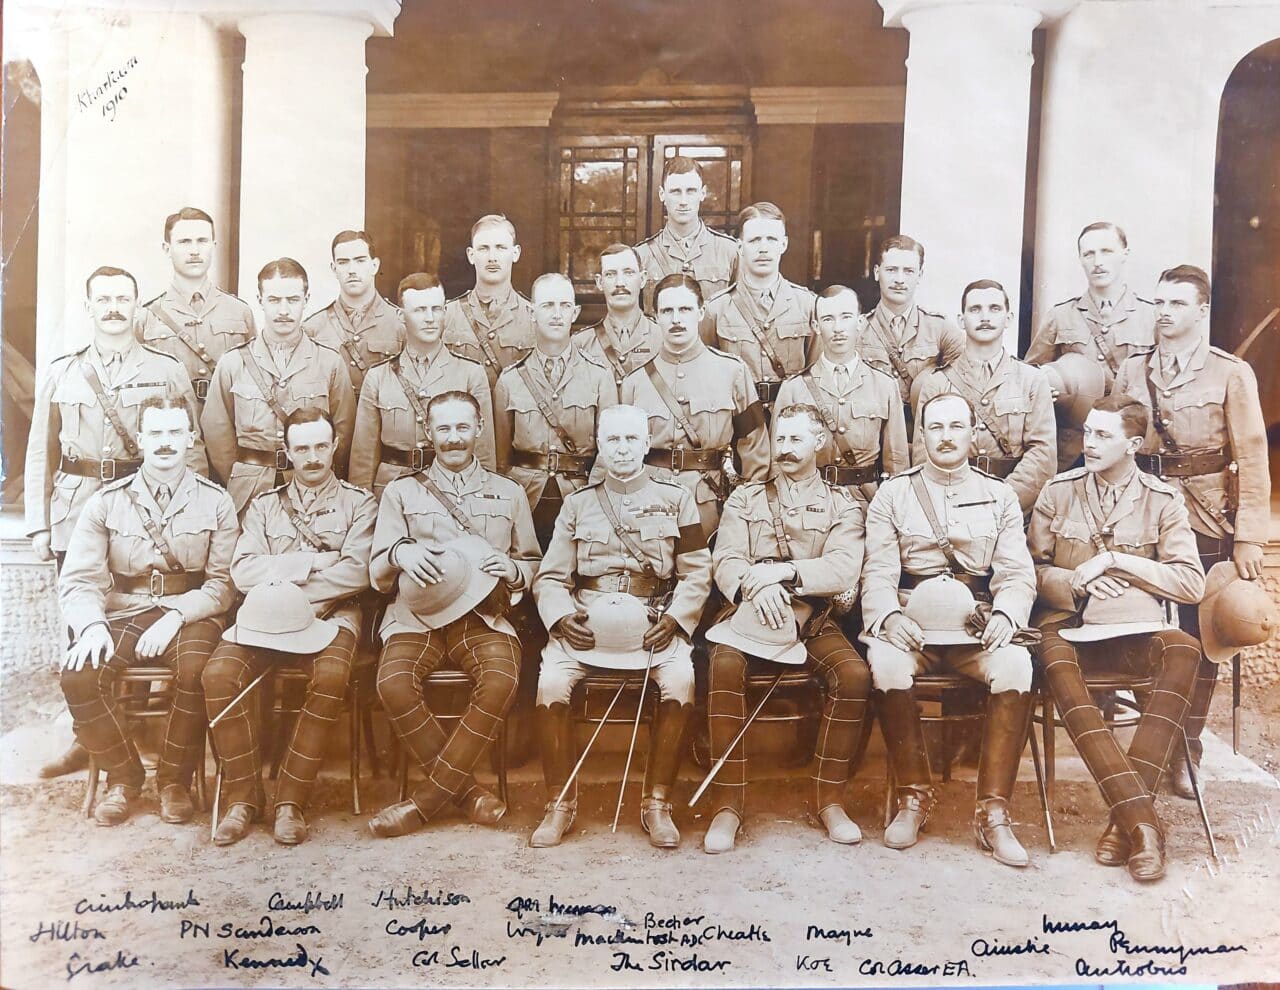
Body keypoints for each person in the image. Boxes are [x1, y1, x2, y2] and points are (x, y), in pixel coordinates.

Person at [26, 266, 207, 781]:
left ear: (136, 306)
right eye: (103, 299)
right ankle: (90, 738)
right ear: (89, 307)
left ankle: (140, 735)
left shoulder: (165, 369)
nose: (113, 308)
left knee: (142, 612)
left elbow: (190, 447)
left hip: (144, 507)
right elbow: (41, 449)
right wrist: (39, 523)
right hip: (76, 506)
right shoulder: (64, 372)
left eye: (122, 299)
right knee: (84, 622)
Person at [1029, 395, 1206, 881]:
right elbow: (1030, 570)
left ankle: (1122, 824)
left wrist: (1118, 561)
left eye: (1103, 435)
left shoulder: (1162, 500)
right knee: (1054, 661)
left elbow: (1191, 583)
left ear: (1133, 444)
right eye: (1088, 432)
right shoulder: (1058, 492)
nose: (1089, 443)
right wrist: (1075, 581)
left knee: (1185, 650)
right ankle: (1141, 826)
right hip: (1068, 625)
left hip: (1134, 628)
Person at [861, 393, 1037, 868]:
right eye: (935, 427)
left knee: (1016, 665)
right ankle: (913, 798)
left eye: (956, 427)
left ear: (973, 433)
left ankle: (993, 812)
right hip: (912, 625)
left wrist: (1006, 616)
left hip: (975, 629)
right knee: (886, 664)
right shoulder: (893, 494)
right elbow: (877, 571)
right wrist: (888, 617)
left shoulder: (1000, 496)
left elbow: (1016, 573)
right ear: (921, 435)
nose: (945, 437)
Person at [1112, 264, 1269, 796]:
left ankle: (1186, 750)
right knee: (1139, 626)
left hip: (1204, 518)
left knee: (1200, 637)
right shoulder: (1133, 370)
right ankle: (1153, 741)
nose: (1164, 312)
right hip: (1141, 514)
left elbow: (1252, 456)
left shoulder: (1230, 373)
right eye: (1159, 302)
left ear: (1202, 311)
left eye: (1177, 303)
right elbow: (1118, 440)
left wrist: (1249, 536)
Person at [529, 404, 712, 849]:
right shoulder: (577, 504)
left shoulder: (677, 498)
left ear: (647, 443)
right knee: (550, 681)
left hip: (653, 622)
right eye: (613, 440)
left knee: (681, 678)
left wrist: (676, 619)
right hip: (587, 624)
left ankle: (657, 803)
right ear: (599, 445)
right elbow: (551, 577)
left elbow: (696, 572)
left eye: (632, 439)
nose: (623, 449)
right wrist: (561, 617)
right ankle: (559, 803)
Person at [365, 390, 542, 838]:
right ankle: (468, 794)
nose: (454, 438)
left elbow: (534, 562)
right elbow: (377, 572)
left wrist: (515, 571)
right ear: (428, 432)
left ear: (479, 429)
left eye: (463, 427)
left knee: (501, 680)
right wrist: (400, 552)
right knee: (393, 684)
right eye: (443, 428)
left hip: (482, 617)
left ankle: (424, 803)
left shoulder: (510, 492)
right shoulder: (401, 492)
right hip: (415, 617)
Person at [58, 395, 237, 826]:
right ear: (140, 439)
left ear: (191, 438)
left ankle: (175, 782)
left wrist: (176, 616)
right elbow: (79, 579)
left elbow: (223, 585)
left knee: (197, 671)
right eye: (155, 432)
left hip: (190, 613)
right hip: (125, 611)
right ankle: (123, 779)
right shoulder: (106, 501)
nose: (165, 442)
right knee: (80, 675)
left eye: (175, 431)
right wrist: (92, 626)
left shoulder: (216, 501)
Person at [203, 407, 377, 846]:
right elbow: (243, 571)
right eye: (302, 448)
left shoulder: (360, 504)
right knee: (218, 675)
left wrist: (283, 580)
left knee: (331, 676)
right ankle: (243, 798)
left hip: (330, 615)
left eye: (321, 446)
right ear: (287, 451)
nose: (313, 457)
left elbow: (357, 572)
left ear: (335, 446)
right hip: (262, 620)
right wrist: (313, 562)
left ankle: (290, 802)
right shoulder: (264, 506)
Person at [703, 403, 871, 853]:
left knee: (853, 675)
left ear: (819, 442)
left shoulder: (842, 504)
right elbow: (726, 559)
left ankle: (829, 800)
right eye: (780, 439)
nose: (786, 449)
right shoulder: (745, 498)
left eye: (796, 439)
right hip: (747, 616)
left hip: (810, 620)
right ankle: (727, 806)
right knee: (723, 666)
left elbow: (842, 567)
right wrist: (753, 589)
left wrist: (784, 574)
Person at [202, 258, 356, 516]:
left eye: (293, 300)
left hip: (312, 489)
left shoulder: (329, 362)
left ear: (306, 300)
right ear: (260, 300)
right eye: (274, 300)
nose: (283, 310)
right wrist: (242, 476)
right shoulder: (233, 363)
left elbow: (344, 430)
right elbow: (217, 433)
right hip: (249, 492)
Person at [622, 274, 770, 537]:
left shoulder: (731, 372)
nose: (676, 319)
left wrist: (745, 511)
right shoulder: (635, 382)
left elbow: (755, 448)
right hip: (649, 505)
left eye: (685, 309)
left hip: (709, 504)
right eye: (667, 311)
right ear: (655, 316)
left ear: (701, 312)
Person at [494, 273, 618, 547]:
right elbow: (501, 459)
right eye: (548, 305)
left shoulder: (599, 375)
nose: (557, 314)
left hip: (580, 495)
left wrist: (592, 498)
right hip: (525, 497)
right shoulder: (511, 380)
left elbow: (609, 447)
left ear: (575, 313)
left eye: (564, 305)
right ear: (532, 313)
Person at [912, 279, 1056, 514]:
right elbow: (923, 454)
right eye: (975, 309)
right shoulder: (937, 383)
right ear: (961, 320)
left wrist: (1000, 501)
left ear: (1008, 318)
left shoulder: (1032, 380)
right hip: (950, 509)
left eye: (994, 308)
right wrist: (954, 503)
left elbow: (1043, 456)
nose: (985, 317)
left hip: (1012, 509)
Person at [1026, 222, 1156, 469]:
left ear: (1125, 253)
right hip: (1074, 449)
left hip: (1131, 447)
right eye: (1089, 254)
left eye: (1106, 251)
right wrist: (1047, 388)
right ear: (1080, 259)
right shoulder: (1060, 316)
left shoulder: (1150, 317)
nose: (1097, 262)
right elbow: (1030, 376)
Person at [349, 273, 494, 494]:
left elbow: (484, 452)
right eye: (419, 310)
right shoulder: (378, 377)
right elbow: (363, 458)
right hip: (391, 491)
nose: (430, 318)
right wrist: (363, 505)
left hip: (453, 491)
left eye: (436, 309)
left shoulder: (470, 374)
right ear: (401, 315)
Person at [775, 285, 908, 502]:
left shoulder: (884, 386)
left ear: (860, 322)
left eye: (846, 317)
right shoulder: (793, 388)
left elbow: (897, 463)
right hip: (808, 501)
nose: (838, 328)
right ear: (816, 326)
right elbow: (779, 462)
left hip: (864, 502)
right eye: (828, 319)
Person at [703, 202, 817, 410]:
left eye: (771, 239)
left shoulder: (807, 305)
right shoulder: (716, 309)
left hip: (791, 416)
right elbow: (706, 375)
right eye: (754, 240)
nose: (763, 248)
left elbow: (816, 374)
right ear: (740, 247)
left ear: (784, 244)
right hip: (739, 418)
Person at [141, 207, 255, 406]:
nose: (194, 250)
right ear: (167, 249)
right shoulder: (147, 317)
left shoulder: (240, 312)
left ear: (213, 246)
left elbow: (254, 377)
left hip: (228, 418)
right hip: (172, 420)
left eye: (202, 241)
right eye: (184, 242)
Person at [854, 235, 964, 430]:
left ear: (920, 275)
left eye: (908, 271)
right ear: (877, 273)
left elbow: (965, 382)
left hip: (924, 434)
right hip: (873, 434)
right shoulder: (857, 330)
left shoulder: (940, 329)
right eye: (891, 270)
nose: (899, 279)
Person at [302, 230, 405, 391]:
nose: (351, 270)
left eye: (360, 261)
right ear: (334, 269)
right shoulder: (313, 329)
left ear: (375, 266)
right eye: (343, 262)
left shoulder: (401, 323)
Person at [633, 156, 738, 311]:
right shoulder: (643, 255)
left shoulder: (729, 251)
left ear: (702, 193)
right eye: (675, 192)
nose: (683, 201)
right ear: (662, 194)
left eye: (691, 191)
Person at [442, 214, 536, 384]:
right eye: (484, 248)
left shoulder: (534, 317)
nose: (492, 257)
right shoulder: (447, 315)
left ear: (515, 253)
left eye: (501, 247)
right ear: (471, 255)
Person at [572, 243, 663, 388]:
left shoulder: (663, 338)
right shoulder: (580, 344)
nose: (620, 283)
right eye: (610, 274)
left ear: (643, 279)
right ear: (599, 282)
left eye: (628, 273)